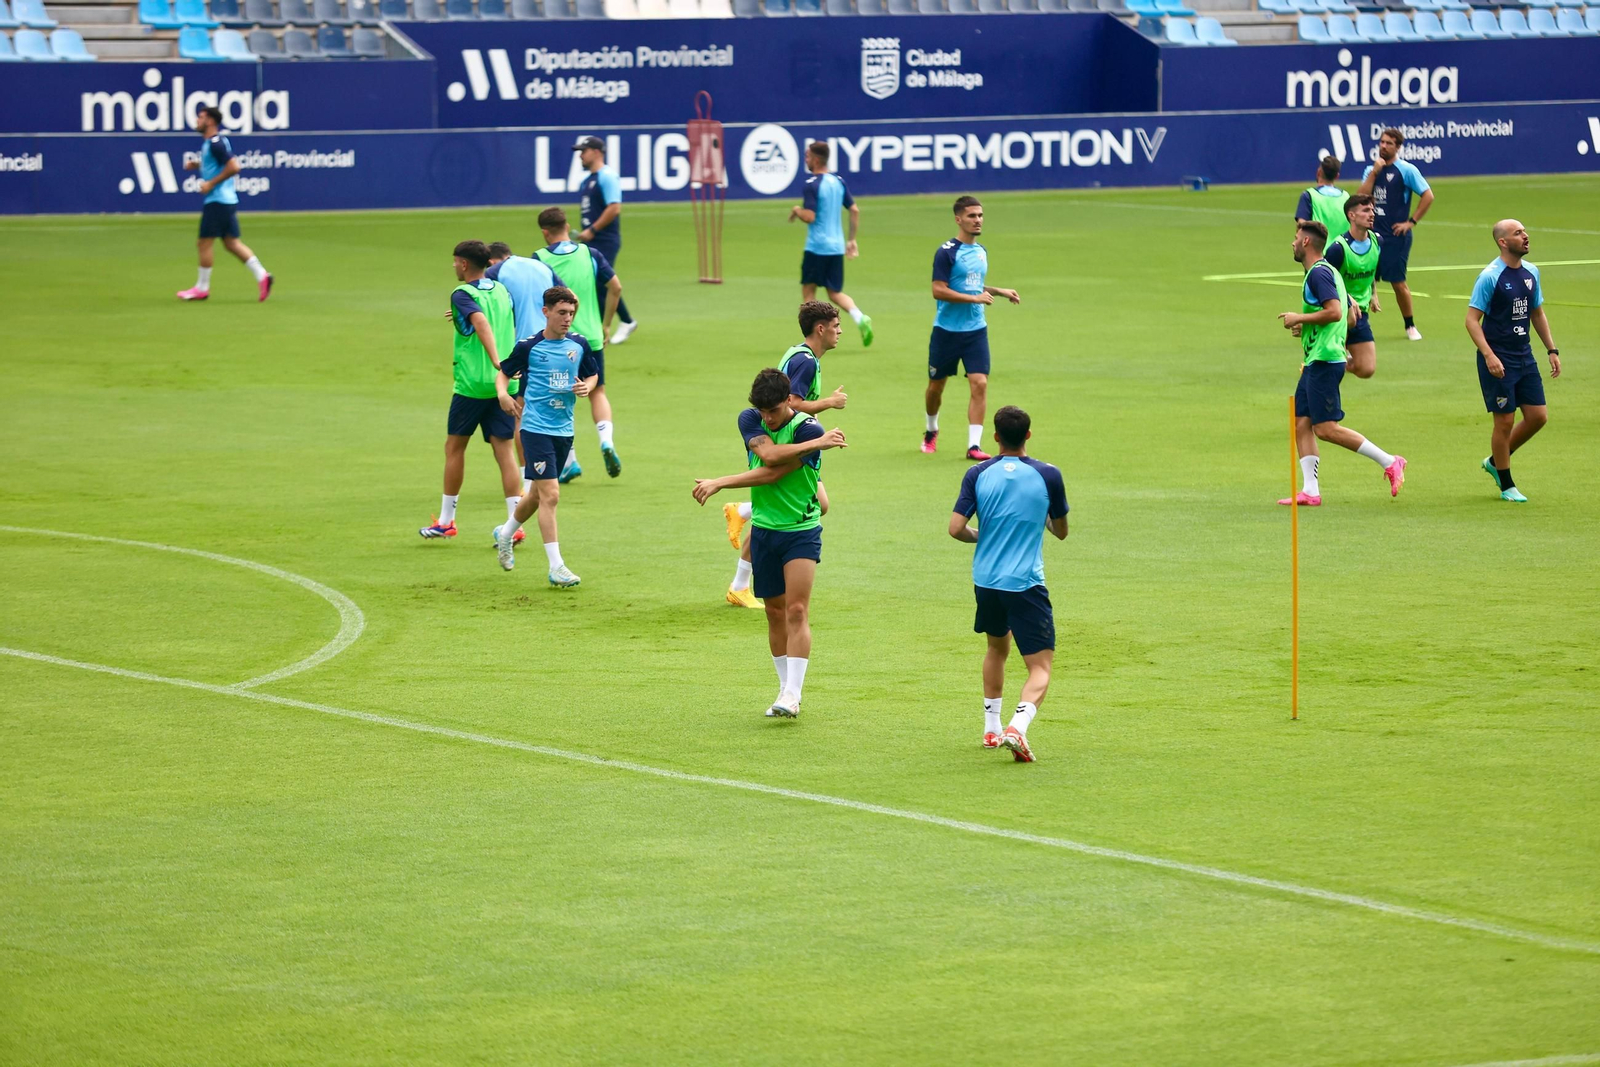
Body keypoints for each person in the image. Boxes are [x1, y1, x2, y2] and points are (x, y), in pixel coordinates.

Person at [691, 369, 847, 718]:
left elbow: (776, 468)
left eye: (773, 411)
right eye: (762, 411)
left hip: (801, 530)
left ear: (790, 401)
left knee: (796, 609)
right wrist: (818, 446)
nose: (766, 418)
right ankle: (783, 688)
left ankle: (793, 694)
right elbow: (770, 455)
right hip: (763, 530)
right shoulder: (752, 418)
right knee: (774, 612)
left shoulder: (808, 428)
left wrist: (721, 482)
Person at [948, 405, 1068, 763]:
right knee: (1040, 667)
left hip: (986, 581)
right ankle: (1017, 726)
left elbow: (955, 528)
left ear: (995, 437)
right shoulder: (1048, 475)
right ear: (1028, 435)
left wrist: (982, 536)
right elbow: (1060, 531)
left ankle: (991, 727)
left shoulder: (977, 473)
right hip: (1025, 584)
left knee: (996, 649)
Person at [723, 301, 847, 608]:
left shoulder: (798, 354)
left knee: (816, 505)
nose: (840, 331)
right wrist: (829, 404)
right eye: (836, 325)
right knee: (808, 505)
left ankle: (740, 578)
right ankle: (742, 516)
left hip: (793, 439)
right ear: (821, 328)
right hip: (792, 440)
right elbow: (793, 402)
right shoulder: (806, 362)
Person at [1277, 221, 1407, 507]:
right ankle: (1310, 491)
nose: (1293, 243)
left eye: (1296, 238)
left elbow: (1335, 312)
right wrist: (1309, 327)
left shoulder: (1319, 274)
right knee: (1302, 423)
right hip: (1317, 358)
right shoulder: (1329, 271)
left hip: (1325, 359)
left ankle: (1390, 461)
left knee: (1325, 428)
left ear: (1307, 243)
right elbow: (1349, 315)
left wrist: (1299, 318)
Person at [492, 286, 600, 587]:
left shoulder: (579, 345)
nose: (568, 319)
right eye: (562, 313)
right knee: (551, 494)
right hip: (534, 429)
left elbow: (592, 374)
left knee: (537, 495)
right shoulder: (529, 347)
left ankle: (505, 533)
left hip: (564, 431)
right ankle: (556, 567)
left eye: (571, 314)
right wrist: (503, 393)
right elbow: (504, 371)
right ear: (546, 312)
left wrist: (587, 387)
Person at [421, 240, 523, 541]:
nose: (453, 266)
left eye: (455, 261)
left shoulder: (462, 293)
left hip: (473, 385)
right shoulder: (501, 290)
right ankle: (514, 526)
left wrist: (495, 361)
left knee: (454, 448)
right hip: (505, 385)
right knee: (504, 451)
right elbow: (500, 320)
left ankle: (446, 521)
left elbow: (480, 322)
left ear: (464, 264)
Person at [1465, 219, 1562, 504]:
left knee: (1537, 417)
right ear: (1503, 242)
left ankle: (1496, 461)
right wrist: (1489, 355)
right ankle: (1506, 483)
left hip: (1524, 355)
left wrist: (1552, 349)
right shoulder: (1490, 277)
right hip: (1498, 358)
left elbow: (1537, 313)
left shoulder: (1532, 272)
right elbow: (1471, 321)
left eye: (1525, 231)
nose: (1526, 236)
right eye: (1518, 233)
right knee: (1504, 421)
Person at [924, 195, 1021, 461]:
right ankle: (931, 429)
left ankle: (973, 446)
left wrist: (998, 291)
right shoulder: (946, 252)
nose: (977, 220)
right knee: (936, 387)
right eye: (971, 216)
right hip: (946, 331)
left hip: (976, 330)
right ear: (958, 219)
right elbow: (938, 290)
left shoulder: (981, 252)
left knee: (979, 383)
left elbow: (973, 286)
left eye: (980, 216)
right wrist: (975, 298)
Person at [534, 207, 623, 483]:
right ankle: (606, 441)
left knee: (560, 397)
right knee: (598, 391)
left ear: (545, 232)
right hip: (592, 337)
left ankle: (570, 462)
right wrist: (605, 324)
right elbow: (616, 287)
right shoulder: (590, 253)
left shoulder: (540, 259)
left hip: (559, 340)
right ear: (567, 225)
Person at [176, 106, 272, 303]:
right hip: (226, 200)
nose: (197, 121)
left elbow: (234, 167)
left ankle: (202, 288)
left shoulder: (215, 143)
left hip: (218, 200)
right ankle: (262, 276)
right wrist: (198, 165)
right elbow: (217, 164)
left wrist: (210, 183)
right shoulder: (214, 142)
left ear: (210, 121)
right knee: (231, 243)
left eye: (200, 117)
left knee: (204, 243)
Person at [788, 142, 874, 347]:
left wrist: (796, 210)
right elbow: (854, 210)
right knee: (834, 292)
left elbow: (809, 216)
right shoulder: (838, 181)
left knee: (809, 291)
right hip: (836, 247)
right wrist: (851, 240)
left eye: (808, 157)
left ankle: (811, 338)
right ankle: (859, 317)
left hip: (817, 246)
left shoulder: (811, 184)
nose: (806, 160)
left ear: (816, 159)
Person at [1358, 128, 1434, 341]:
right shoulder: (1371, 170)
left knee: (1398, 282)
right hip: (1372, 235)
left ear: (1398, 147)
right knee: (1362, 279)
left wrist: (1411, 222)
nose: (1383, 146)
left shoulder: (1406, 170)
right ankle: (1359, 326)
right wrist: (1374, 173)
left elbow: (1428, 195)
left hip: (1395, 237)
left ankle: (1410, 325)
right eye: (1382, 142)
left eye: (1389, 143)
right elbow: (1360, 197)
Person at [573, 135, 638, 346]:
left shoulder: (607, 176)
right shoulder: (588, 180)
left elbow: (614, 207)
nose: (581, 155)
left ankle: (624, 322)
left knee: (602, 282)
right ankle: (602, 327)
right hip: (592, 239)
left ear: (597, 152)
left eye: (584, 151)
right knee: (597, 283)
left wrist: (592, 229)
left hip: (605, 239)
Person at [1324, 193, 1382, 379]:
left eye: (1372, 209)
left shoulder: (1377, 241)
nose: (1371, 213)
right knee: (1331, 374)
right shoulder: (1338, 249)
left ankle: (1339, 363)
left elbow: (1370, 269)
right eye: (1365, 210)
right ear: (1352, 216)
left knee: (1367, 369)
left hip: (1360, 314)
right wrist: (1347, 299)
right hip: (1338, 315)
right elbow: (1325, 280)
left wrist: (1373, 293)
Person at [1295, 155, 1349, 238]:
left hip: (1319, 249)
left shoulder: (1309, 195)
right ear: (1337, 176)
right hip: (1342, 249)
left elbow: (1301, 225)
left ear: (1319, 172)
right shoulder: (1346, 196)